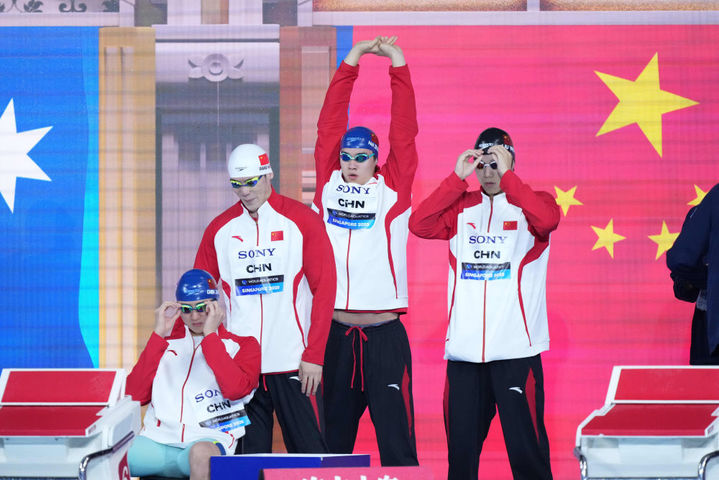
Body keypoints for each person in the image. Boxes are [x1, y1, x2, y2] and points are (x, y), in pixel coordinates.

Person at [409, 128, 559, 480]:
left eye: (496, 164)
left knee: (529, 457)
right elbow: (419, 224)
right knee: (461, 460)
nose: (488, 173)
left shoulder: (533, 203)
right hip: (464, 358)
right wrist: (455, 178)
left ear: (510, 162)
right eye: (482, 165)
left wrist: (510, 178)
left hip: (516, 354)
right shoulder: (461, 207)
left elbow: (548, 221)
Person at [312, 35, 419, 466]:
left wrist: (398, 64)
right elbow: (329, 125)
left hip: (384, 339)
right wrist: (351, 61)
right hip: (335, 338)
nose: (352, 163)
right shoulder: (327, 185)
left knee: (397, 446)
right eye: (346, 156)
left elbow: (404, 133)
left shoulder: (392, 190)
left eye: (361, 156)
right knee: (331, 446)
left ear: (376, 160)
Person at [194, 144, 336, 454]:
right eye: (236, 184)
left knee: (310, 456)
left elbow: (325, 290)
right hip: (241, 370)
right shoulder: (219, 229)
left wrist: (314, 354)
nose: (244, 192)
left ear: (269, 174)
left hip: (294, 362)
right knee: (247, 463)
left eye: (251, 182)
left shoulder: (302, 220)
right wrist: (219, 354)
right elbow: (198, 296)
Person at [126, 268, 260, 480]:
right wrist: (159, 335)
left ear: (215, 306)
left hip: (206, 441)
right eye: (187, 310)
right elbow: (133, 395)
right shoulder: (165, 345)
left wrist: (210, 336)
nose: (195, 316)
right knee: (102, 451)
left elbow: (236, 390)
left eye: (202, 308)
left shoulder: (242, 345)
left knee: (201, 454)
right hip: (155, 442)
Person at [667, 183, 719, 365]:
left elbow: (681, 261)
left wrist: (711, 281)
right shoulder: (709, 207)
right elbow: (682, 281)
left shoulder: (712, 202)